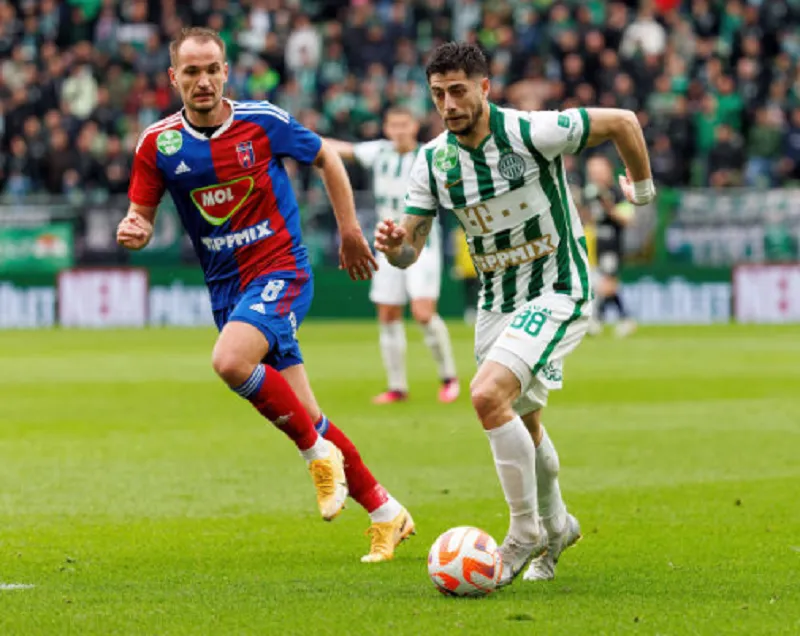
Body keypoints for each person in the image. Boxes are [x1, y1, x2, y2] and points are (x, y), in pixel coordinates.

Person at [117, 27, 414, 563]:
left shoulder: (262, 121)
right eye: (192, 71)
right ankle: (386, 511)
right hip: (228, 290)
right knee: (308, 413)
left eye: (212, 69)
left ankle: (316, 456)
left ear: (226, 72)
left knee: (230, 362)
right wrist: (135, 229)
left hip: (281, 269)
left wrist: (349, 230)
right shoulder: (158, 144)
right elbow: (140, 214)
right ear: (174, 78)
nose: (203, 81)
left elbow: (327, 158)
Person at [374, 42, 655, 586]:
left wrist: (640, 193)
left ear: (484, 87)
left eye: (458, 91)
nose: (448, 104)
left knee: (486, 395)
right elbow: (410, 250)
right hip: (497, 304)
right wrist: (394, 248)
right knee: (524, 422)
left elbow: (623, 121)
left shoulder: (531, 131)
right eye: (438, 94)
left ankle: (524, 532)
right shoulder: (432, 161)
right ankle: (559, 525)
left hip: (558, 289)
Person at [326, 107, 460, 404]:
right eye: (394, 125)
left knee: (423, 313)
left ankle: (448, 377)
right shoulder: (379, 152)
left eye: (404, 124)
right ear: (386, 128)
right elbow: (340, 148)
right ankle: (397, 386)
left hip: (421, 245)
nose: (399, 130)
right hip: (386, 244)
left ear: (414, 126)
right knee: (388, 313)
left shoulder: (429, 155)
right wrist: (295, 136)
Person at [583, 155, 637, 337]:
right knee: (602, 284)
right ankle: (619, 319)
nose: (595, 175)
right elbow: (588, 219)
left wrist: (608, 206)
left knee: (606, 284)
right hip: (594, 245)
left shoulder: (617, 192)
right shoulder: (589, 193)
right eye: (592, 171)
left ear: (608, 171)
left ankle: (601, 318)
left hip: (612, 245)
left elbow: (627, 219)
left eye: (599, 171)